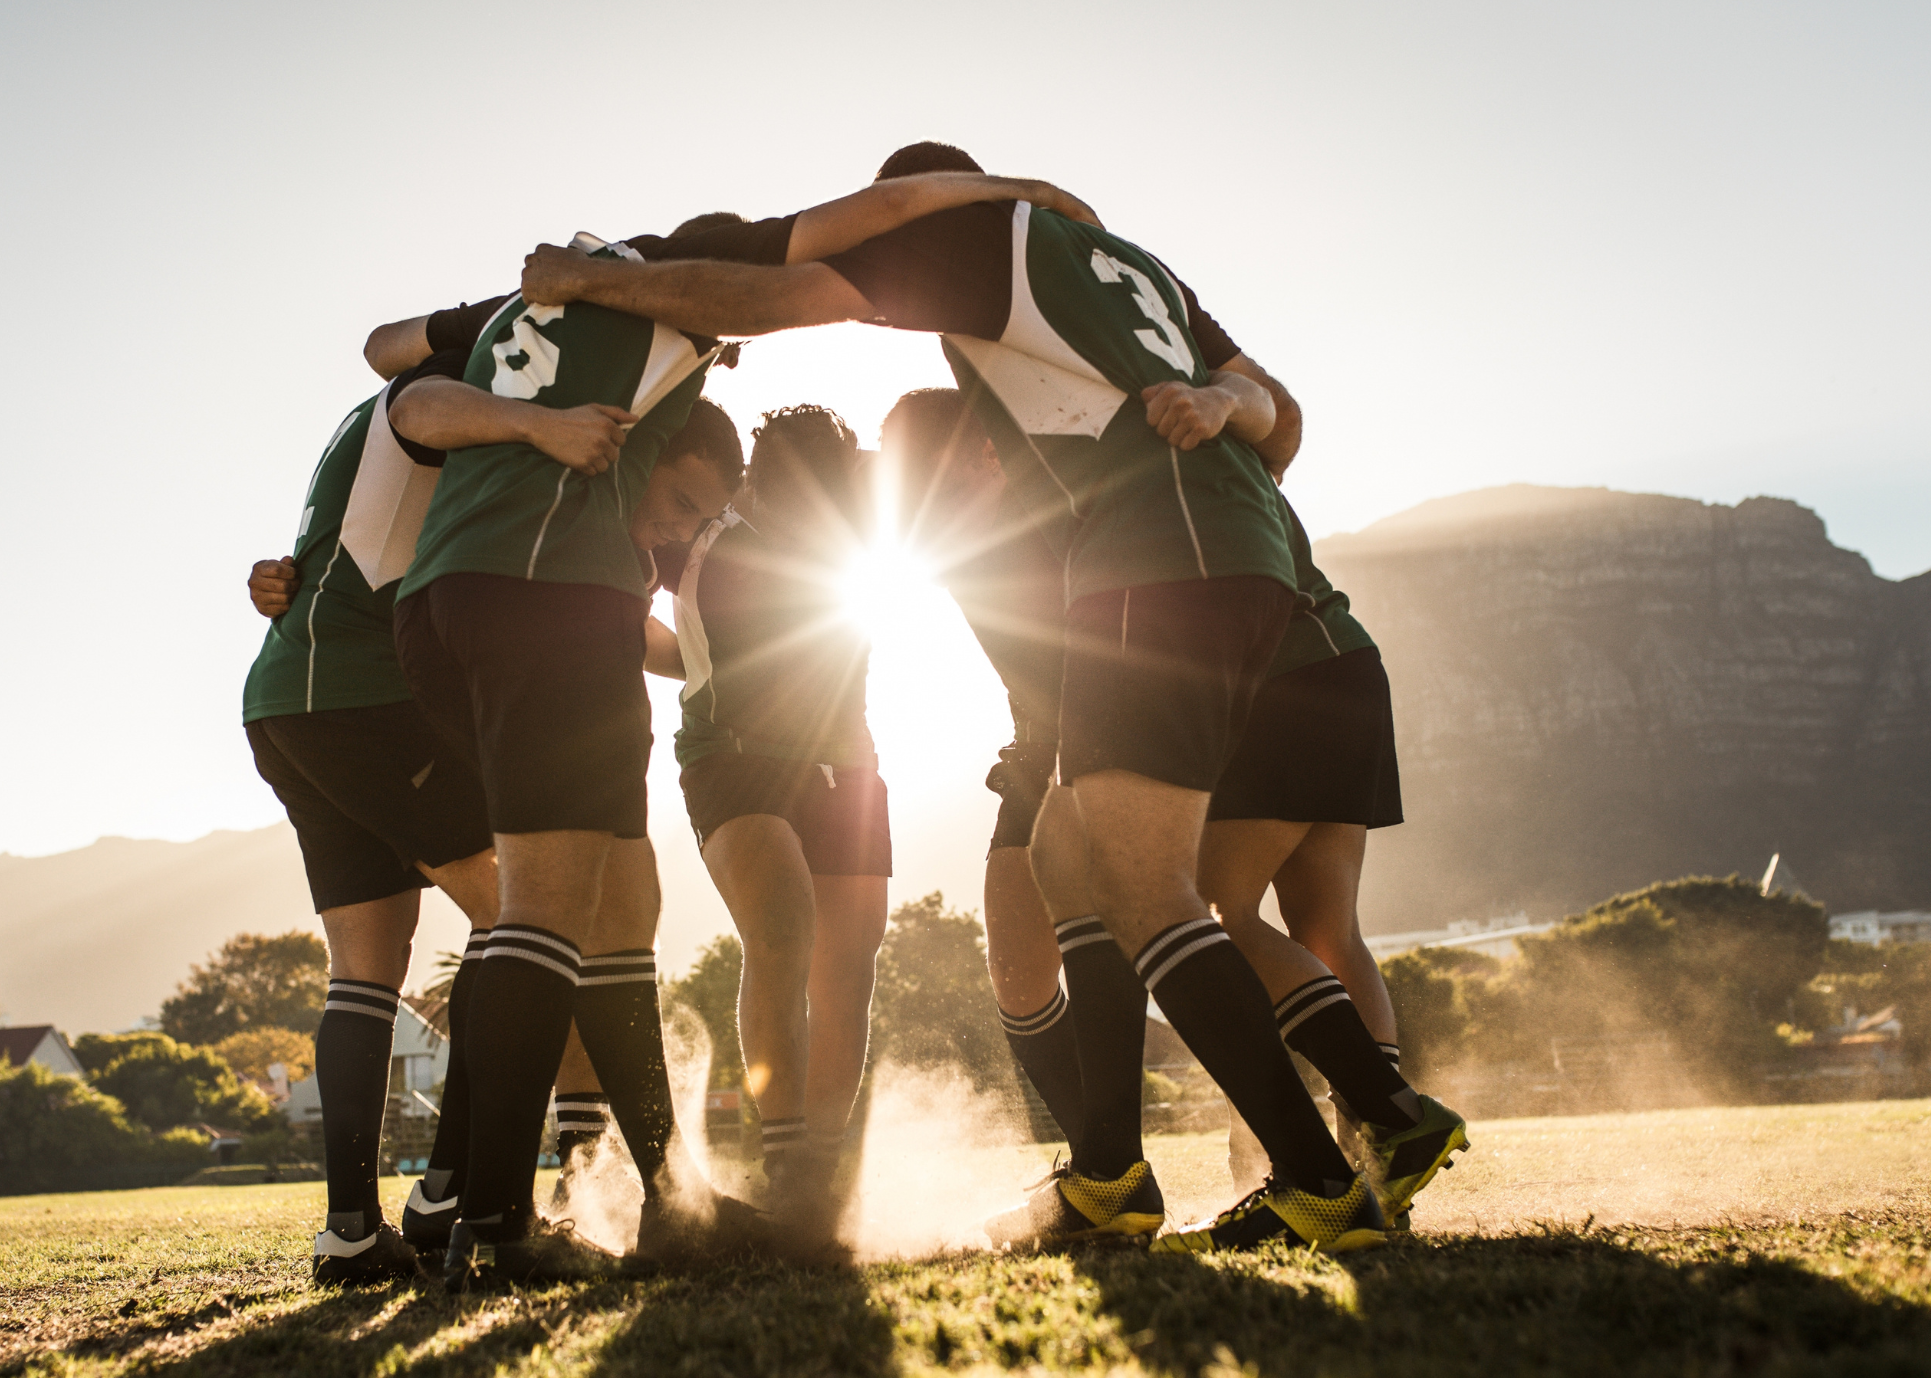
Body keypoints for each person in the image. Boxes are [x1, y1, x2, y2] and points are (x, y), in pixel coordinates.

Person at [516, 145, 1450, 1256]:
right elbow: (1281, 423)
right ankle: (1116, 1168)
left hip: (1149, 565)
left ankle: (1336, 1164)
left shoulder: (976, 239)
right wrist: (1213, 421)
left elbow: (774, 292)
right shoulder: (1134, 272)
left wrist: (600, 285)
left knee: (1151, 893)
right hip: (1247, 563)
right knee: (1073, 860)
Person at [240, 298, 627, 1286]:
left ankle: (351, 1234)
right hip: (357, 695)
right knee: (521, 918)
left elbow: (385, 354)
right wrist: (542, 423)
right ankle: (452, 1192)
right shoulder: (445, 396)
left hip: (296, 697)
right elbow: (415, 395)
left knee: (367, 968)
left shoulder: (387, 406)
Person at [648, 404, 888, 1239]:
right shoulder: (700, 534)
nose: (772, 487)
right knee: (783, 929)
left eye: (799, 477)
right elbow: (629, 606)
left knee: (849, 966)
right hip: (733, 754)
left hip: (847, 766)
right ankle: (786, 1163)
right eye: (765, 471)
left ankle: (819, 1167)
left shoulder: (855, 537)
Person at [1198, 555, 1471, 1221]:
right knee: (1328, 927)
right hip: (1346, 662)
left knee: (1210, 916)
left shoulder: (1165, 468)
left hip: (1277, 677)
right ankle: (1376, 1169)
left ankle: (1383, 1117)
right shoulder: (1239, 462)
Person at [875, 388, 1089, 1168]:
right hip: (1038, 749)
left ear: (986, 449)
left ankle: (1308, 1130)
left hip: (1122, 738)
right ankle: (1101, 1155)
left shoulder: (1062, 504)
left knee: (1168, 936)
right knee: (1017, 968)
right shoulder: (937, 535)